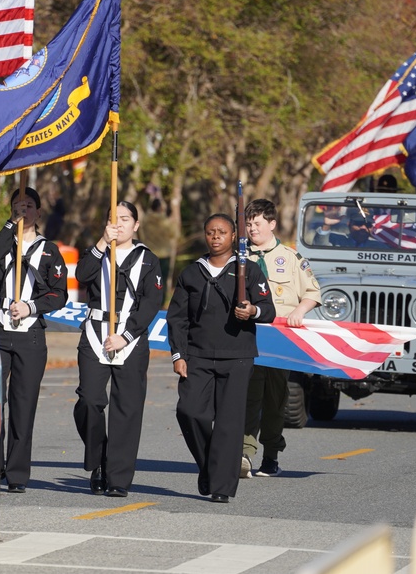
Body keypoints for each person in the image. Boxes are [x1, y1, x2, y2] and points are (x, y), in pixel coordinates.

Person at [167, 214, 275, 503]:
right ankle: (209, 467)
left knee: (229, 424)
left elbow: (269, 309)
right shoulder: (191, 273)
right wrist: (178, 354)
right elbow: (177, 319)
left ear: (233, 236)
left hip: (237, 357)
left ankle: (221, 487)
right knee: (189, 411)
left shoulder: (248, 270)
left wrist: (251, 311)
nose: (215, 236)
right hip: (197, 356)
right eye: (210, 232)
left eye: (222, 232)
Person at [73, 201, 163, 498]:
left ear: (136, 225)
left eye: (125, 219)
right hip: (95, 333)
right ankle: (99, 459)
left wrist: (126, 335)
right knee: (89, 401)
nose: (119, 224)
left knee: (127, 409)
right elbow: (82, 276)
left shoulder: (148, 259)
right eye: (113, 219)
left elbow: (151, 303)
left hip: (131, 338)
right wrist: (101, 241)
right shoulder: (98, 252)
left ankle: (118, 478)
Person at [0, 188, 68, 493]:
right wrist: (10, 222)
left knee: (22, 404)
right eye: (19, 206)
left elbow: (60, 294)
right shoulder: (4, 241)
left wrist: (31, 306)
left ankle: (17, 473)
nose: (25, 210)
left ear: (39, 212)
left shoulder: (49, 250)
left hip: (30, 334)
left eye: (30, 206)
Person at [241, 199, 321, 478]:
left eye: (257, 223)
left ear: (272, 224)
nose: (252, 229)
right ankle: (244, 454)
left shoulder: (290, 258)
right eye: (248, 224)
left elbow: (312, 292)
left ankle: (271, 455)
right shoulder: (239, 258)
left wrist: (300, 310)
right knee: (248, 396)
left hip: (279, 339)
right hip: (247, 337)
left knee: (274, 399)